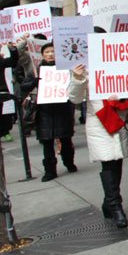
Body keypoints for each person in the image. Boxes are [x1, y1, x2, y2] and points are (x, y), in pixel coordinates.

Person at [68, 56, 128, 228]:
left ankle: (108, 202)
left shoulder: (120, 62)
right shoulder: (84, 67)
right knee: (108, 162)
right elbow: (75, 98)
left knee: (116, 161)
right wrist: (78, 78)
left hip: (118, 118)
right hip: (99, 121)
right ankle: (116, 205)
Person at [34, 43, 78, 181]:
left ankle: (69, 163)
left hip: (62, 109)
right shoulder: (37, 70)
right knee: (47, 143)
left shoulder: (66, 68)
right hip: (44, 112)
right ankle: (50, 171)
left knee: (66, 140)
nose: (50, 54)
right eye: (47, 52)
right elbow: (24, 85)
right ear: (42, 55)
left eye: (52, 51)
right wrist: (35, 82)